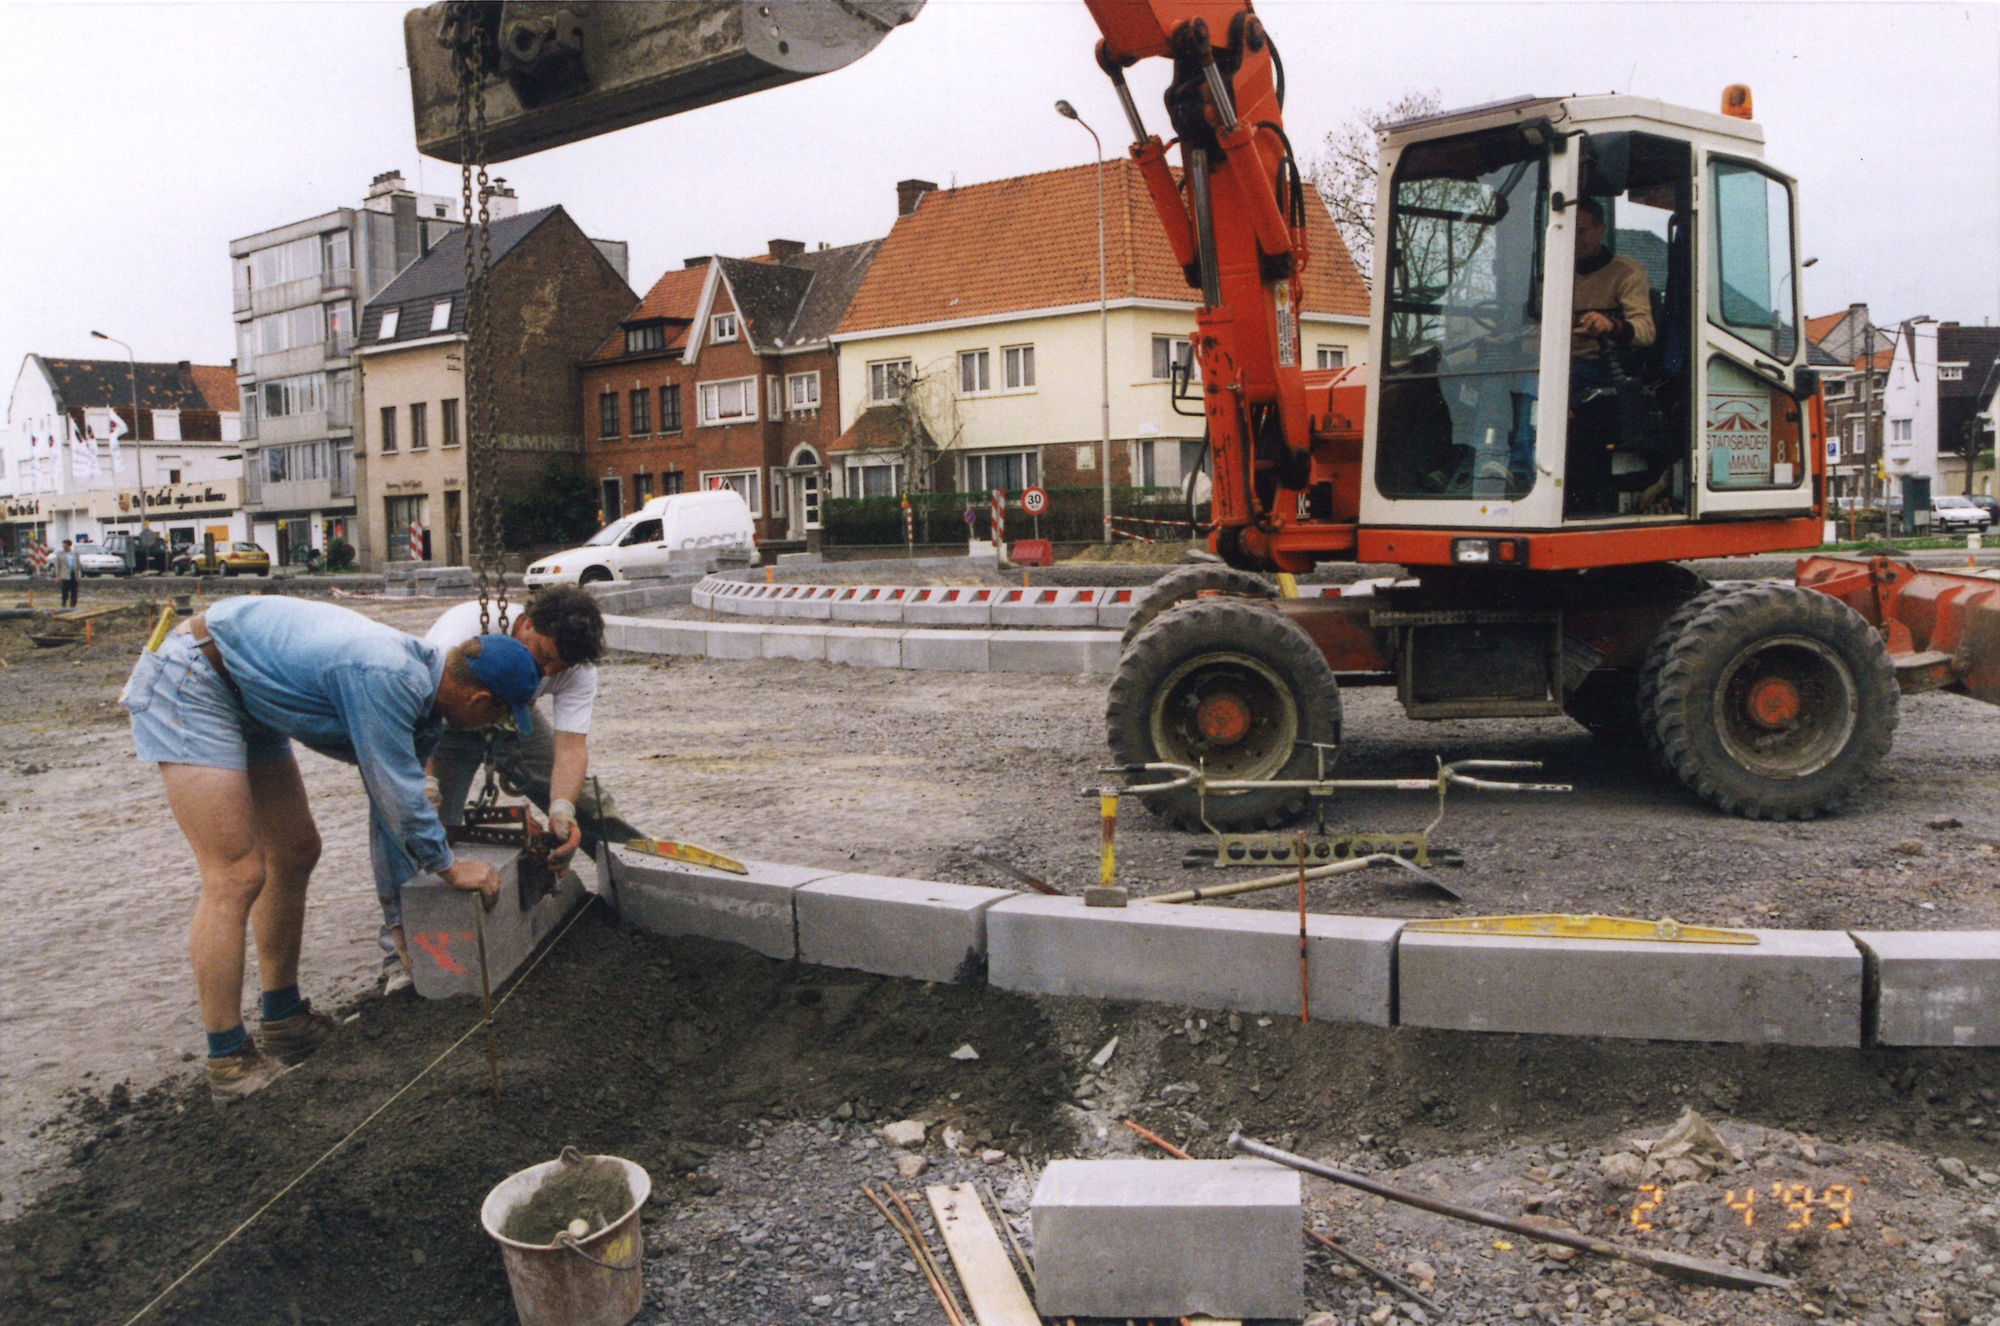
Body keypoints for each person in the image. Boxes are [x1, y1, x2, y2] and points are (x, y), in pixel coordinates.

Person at [120, 595, 539, 1103]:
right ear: (479, 702)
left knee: (296, 850)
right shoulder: (389, 678)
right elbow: (400, 802)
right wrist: (450, 871)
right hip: (195, 676)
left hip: (248, 692)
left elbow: (393, 816)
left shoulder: (430, 704)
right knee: (235, 874)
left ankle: (283, 1019)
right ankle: (228, 1059)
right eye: (501, 717)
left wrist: (399, 920)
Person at [381, 587, 620, 985]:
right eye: (543, 656)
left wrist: (562, 808)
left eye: (556, 669)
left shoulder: (574, 666)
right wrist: (426, 779)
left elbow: (571, 746)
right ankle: (402, 955)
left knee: (591, 809)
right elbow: (423, 713)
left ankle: (635, 875)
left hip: (516, 718)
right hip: (452, 712)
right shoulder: (459, 632)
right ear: (525, 625)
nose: (546, 673)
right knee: (423, 821)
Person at [56, 539, 81, 608]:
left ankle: (73, 604)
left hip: (74, 574)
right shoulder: (59, 554)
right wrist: (57, 576)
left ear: (70, 546)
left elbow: (78, 565)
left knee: (74, 590)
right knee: (65, 590)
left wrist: (79, 575)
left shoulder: (75, 554)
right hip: (65, 575)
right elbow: (58, 565)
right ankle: (63, 603)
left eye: (66, 546)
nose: (64, 548)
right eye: (63, 546)